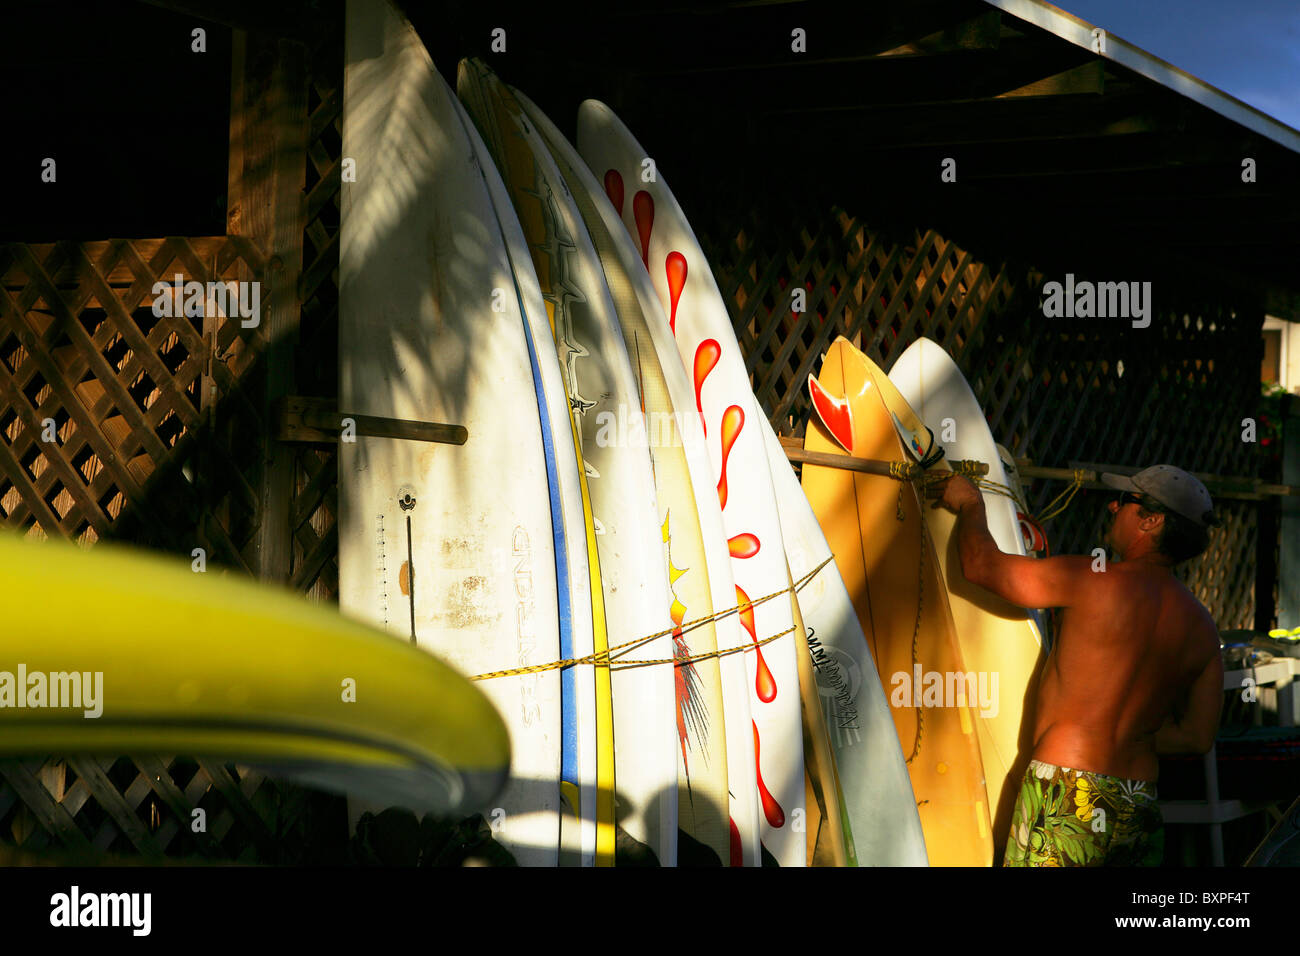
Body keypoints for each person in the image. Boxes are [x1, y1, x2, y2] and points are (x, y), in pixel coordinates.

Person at [932, 464, 1224, 866]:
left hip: (1069, 786)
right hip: (1138, 798)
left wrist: (970, 504)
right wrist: (1124, 734)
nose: (1112, 507)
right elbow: (1196, 737)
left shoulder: (1094, 579)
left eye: (1125, 502)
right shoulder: (1203, 627)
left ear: (1151, 520)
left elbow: (982, 567)